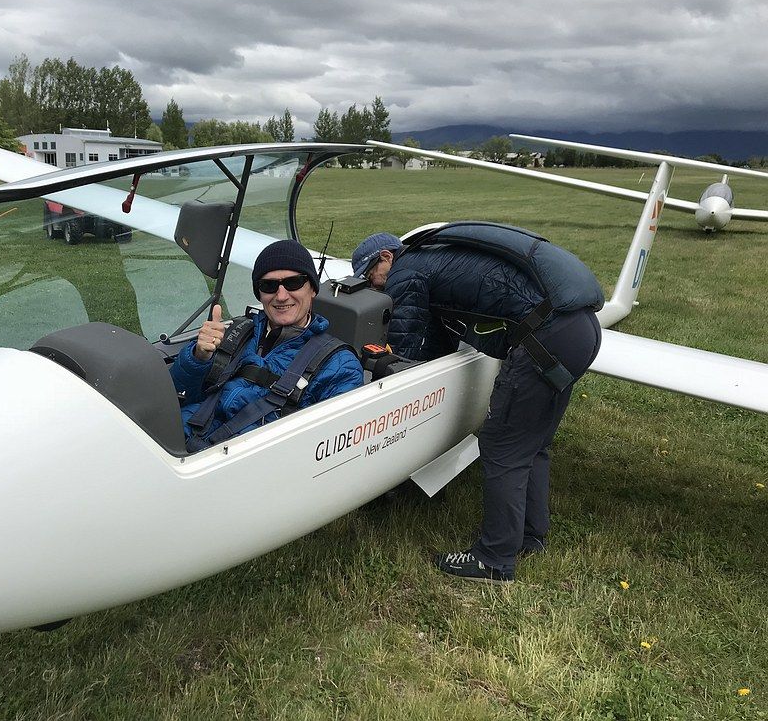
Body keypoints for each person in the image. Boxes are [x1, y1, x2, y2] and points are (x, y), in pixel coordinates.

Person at [352, 227, 603, 582]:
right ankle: (530, 535)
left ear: (386, 258)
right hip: (581, 329)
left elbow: (406, 341)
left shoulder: (404, 273)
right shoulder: (433, 257)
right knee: (532, 443)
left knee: (502, 446)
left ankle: (494, 559)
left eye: (370, 277)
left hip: (543, 338)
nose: (374, 287)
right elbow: (438, 333)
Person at [172, 239, 363, 450]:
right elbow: (176, 396)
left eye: (293, 283)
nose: (281, 296)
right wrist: (198, 358)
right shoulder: (235, 333)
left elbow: (327, 447)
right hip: (180, 441)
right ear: (260, 294)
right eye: (269, 286)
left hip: (245, 459)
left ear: (313, 289)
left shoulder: (339, 365)